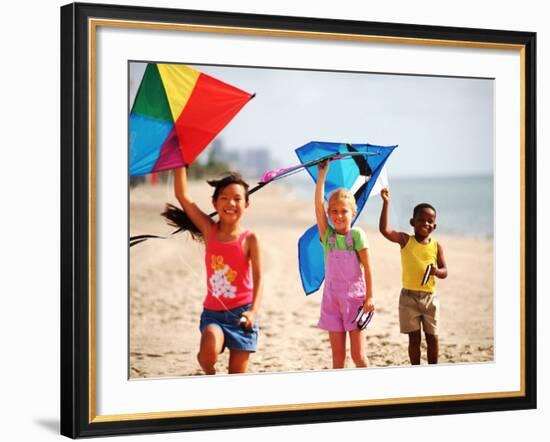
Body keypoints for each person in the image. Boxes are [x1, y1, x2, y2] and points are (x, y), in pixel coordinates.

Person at [164, 166, 263, 375]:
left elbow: (259, 278)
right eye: (224, 198)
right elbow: (182, 195)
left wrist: (253, 311)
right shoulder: (210, 230)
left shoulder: (250, 238)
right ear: (215, 203)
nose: (231, 203)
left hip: (242, 316)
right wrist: (180, 163)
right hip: (213, 315)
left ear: (247, 204)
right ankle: (209, 373)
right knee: (209, 343)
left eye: (237, 198)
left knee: (236, 375)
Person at [314, 160, 375, 369]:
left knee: (358, 357)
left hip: (355, 302)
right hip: (331, 301)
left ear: (353, 213)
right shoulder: (328, 237)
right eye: (334, 212)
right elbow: (318, 207)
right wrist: (322, 175)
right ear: (329, 214)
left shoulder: (356, 235)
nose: (339, 216)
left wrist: (370, 296)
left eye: (344, 211)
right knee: (338, 360)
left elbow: (368, 267)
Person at [379, 188, 448, 365]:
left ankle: (433, 369)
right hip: (408, 298)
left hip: (429, 299)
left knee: (433, 338)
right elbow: (385, 230)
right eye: (421, 220)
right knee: (414, 340)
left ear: (435, 226)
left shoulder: (436, 246)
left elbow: (445, 271)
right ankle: (415, 370)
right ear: (412, 222)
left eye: (430, 221)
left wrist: (436, 272)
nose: (426, 223)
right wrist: (386, 203)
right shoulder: (405, 240)